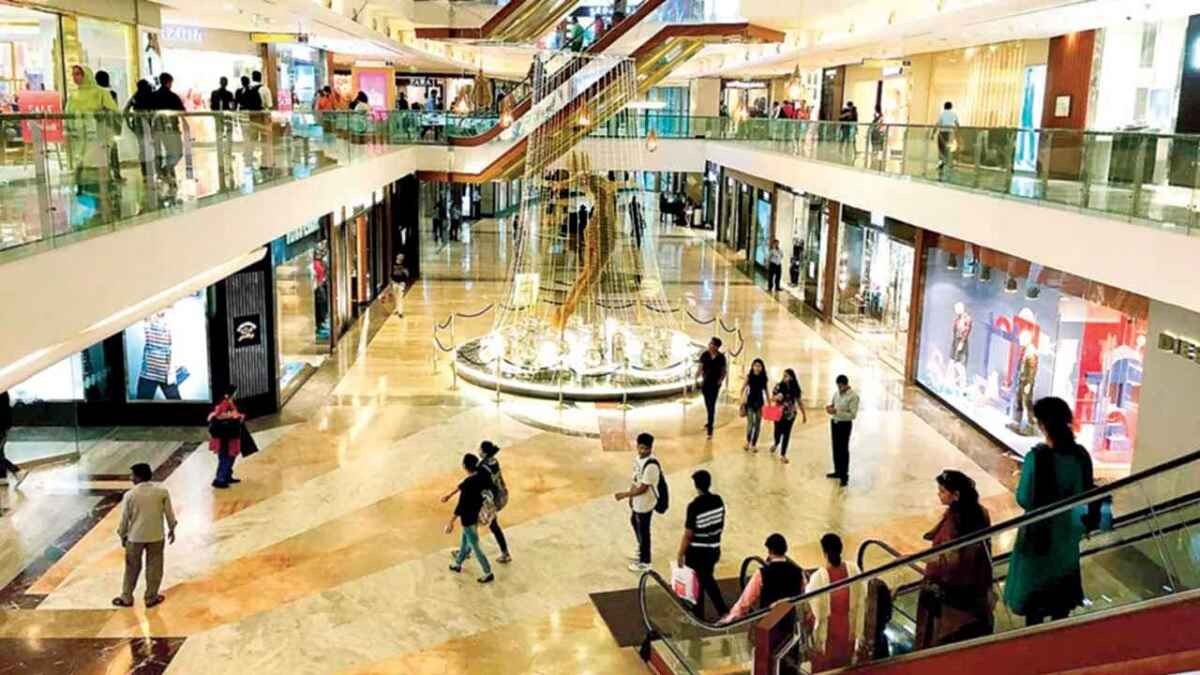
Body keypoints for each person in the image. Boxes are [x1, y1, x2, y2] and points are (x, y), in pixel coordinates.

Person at [1004, 396, 1095, 626]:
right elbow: (1084, 494)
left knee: (1035, 602)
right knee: (1060, 598)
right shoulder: (1080, 456)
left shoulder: (1037, 458)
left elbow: (1024, 498)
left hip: (1039, 534)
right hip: (1067, 532)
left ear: (1043, 425)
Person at [916, 470, 995, 649]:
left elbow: (950, 561)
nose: (938, 494)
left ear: (956, 495)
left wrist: (917, 559)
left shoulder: (954, 524)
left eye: (943, 491)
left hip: (952, 597)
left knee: (944, 638)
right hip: (976, 590)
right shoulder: (980, 513)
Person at [112, 463, 176, 608]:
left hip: (135, 537)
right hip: (156, 536)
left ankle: (126, 597)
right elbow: (169, 513)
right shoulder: (162, 492)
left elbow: (125, 519)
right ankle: (151, 598)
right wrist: (172, 528)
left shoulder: (130, 495)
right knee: (155, 567)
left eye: (132, 475)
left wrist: (122, 534)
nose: (131, 478)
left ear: (138, 477)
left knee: (131, 568)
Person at [807, 533, 863, 672]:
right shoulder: (854, 569)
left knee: (825, 668)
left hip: (828, 633)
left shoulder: (817, 577)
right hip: (849, 629)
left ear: (824, 553)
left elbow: (812, 606)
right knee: (845, 666)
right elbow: (862, 597)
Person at [676, 470, 727, 621]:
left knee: (703, 582)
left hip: (697, 552)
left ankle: (722, 612)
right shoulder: (718, 500)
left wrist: (680, 553)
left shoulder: (694, 506)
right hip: (714, 548)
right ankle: (699, 614)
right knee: (704, 580)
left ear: (696, 486)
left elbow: (688, 534)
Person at [720, 533, 804, 625]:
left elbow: (746, 600)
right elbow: (805, 594)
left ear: (770, 551)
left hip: (768, 622)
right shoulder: (798, 571)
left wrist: (732, 616)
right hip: (791, 621)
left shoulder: (762, 573)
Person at [64, 65, 119, 195]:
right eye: (73, 74)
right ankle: (80, 188)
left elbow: (113, 111)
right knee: (80, 162)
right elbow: (68, 114)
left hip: (98, 134)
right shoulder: (73, 96)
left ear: (86, 75)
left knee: (100, 162)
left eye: (78, 74)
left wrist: (100, 114)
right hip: (80, 135)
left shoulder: (100, 92)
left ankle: (104, 191)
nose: (75, 77)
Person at [443, 453, 496, 583]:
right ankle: (457, 563)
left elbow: (461, 505)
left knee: (475, 546)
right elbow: (461, 486)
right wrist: (449, 495)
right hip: (476, 514)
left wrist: (451, 522)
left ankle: (487, 571)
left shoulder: (469, 483)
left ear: (465, 466)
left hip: (468, 519)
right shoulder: (481, 476)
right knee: (465, 541)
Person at [613, 432, 660, 573]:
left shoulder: (651, 466)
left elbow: (643, 488)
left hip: (646, 503)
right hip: (638, 501)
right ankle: (642, 548)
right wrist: (631, 497)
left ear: (651, 448)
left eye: (646, 448)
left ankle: (645, 561)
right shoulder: (638, 460)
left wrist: (625, 495)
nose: (643, 451)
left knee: (644, 530)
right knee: (634, 521)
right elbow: (635, 480)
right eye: (641, 447)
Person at [477, 441, 512, 564]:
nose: (479, 450)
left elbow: (481, 485)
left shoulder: (482, 467)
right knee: (492, 525)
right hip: (500, 495)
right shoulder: (494, 461)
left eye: (480, 449)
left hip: (489, 500)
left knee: (471, 524)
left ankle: (465, 551)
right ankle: (505, 552)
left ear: (484, 452)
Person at [150, 73, 186, 190]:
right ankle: (166, 170)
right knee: (177, 153)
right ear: (169, 82)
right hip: (172, 129)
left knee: (164, 152)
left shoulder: (153, 96)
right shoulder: (172, 96)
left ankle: (168, 175)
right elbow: (182, 111)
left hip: (157, 128)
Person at [825, 374, 859, 487]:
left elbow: (853, 415)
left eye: (841, 386)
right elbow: (833, 404)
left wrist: (837, 412)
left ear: (846, 384)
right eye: (838, 386)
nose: (839, 388)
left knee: (843, 449)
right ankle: (837, 471)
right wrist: (830, 408)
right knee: (836, 448)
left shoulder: (853, 397)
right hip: (835, 423)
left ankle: (844, 476)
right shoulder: (836, 393)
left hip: (844, 425)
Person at [207, 386, 245, 489]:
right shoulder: (224, 403)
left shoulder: (230, 402)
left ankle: (227, 475)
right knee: (226, 457)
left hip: (229, 436)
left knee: (230, 456)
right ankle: (220, 479)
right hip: (225, 437)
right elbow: (218, 415)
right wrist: (233, 416)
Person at [769, 368, 806, 463]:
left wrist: (804, 414)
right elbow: (772, 398)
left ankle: (783, 454)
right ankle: (776, 443)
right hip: (777, 412)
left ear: (792, 377)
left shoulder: (795, 388)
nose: (784, 377)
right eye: (784, 375)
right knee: (777, 431)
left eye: (786, 376)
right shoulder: (778, 386)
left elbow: (799, 401)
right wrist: (776, 397)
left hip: (790, 414)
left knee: (787, 433)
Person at [93, 70, 124, 182]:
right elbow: (115, 110)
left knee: (103, 152)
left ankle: (106, 176)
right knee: (113, 151)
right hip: (111, 125)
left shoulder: (95, 94)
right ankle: (117, 174)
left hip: (100, 126)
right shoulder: (112, 94)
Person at [124, 79, 157, 181]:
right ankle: (152, 171)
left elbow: (125, 110)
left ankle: (145, 173)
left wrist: (129, 124)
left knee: (142, 149)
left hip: (138, 124)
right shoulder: (151, 96)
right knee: (152, 148)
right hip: (151, 124)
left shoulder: (136, 96)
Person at [696, 338, 727, 438]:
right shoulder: (705, 355)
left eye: (712, 344)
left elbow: (724, 371)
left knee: (711, 405)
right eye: (710, 343)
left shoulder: (721, 357)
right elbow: (700, 368)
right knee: (708, 404)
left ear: (717, 347)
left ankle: (710, 429)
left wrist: (720, 380)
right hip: (705, 384)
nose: (710, 345)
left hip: (715, 385)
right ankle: (709, 422)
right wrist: (696, 379)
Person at [741, 358, 769, 452]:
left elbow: (766, 391)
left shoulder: (764, 378)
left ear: (762, 368)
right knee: (750, 424)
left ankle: (754, 444)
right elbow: (743, 388)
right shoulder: (749, 377)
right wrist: (742, 399)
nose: (757, 367)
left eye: (759, 366)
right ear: (752, 367)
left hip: (759, 402)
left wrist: (769, 403)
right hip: (750, 402)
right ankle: (747, 442)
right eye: (755, 365)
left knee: (757, 424)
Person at [934, 101, 960, 175]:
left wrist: (933, 133)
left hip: (942, 132)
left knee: (941, 149)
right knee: (949, 149)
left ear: (944, 107)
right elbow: (957, 124)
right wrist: (957, 132)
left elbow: (937, 124)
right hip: (950, 133)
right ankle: (950, 164)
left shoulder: (942, 114)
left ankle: (942, 164)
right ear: (951, 107)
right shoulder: (954, 114)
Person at [391, 252, 409, 318]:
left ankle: (400, 312)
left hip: (401, 283)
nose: (401, 257)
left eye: (402, 257)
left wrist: (404, 281)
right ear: (397, 257)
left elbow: (407, 274)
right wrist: (392, 280)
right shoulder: (393, 264)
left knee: (400, 297)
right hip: (394, 282)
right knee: (396, 297)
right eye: (400, 256)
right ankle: (396, 309)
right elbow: (391, 273)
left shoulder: (405, 265)